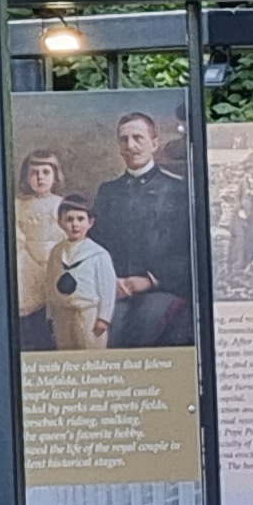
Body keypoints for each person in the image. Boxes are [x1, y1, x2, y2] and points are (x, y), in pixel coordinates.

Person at [88, 111, 198, 347]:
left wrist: (150, 280)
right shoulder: (108, 192)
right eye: (124, 140)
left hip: (162, 289)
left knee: (143, 331)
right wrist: (110, 280)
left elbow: (188, 248)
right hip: (114, 289)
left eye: (138, 138)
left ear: (154, 144)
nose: (130, 146)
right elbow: (94, 245)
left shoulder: (177, 190)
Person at [12, 151, 71, 350]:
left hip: (56, 260)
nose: (40, 178)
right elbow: (17, 236)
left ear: (55, 177)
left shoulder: (62, 204)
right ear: (26, 177)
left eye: (46, 172)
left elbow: (69, 236)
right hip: (27, 263)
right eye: (34, 173)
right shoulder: (19, 205)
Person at [46, 196, 117, 350]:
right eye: (69, 219)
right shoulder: (56, 252)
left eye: (80, 219)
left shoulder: (98, 254)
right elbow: (50, 284)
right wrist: (50, 315)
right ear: (60, 222)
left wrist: (103, 318)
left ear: (90, 222)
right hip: (62, 314)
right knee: (66, 352)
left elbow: (107, 289)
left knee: (89, 352)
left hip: (88, 314)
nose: (75, 225)